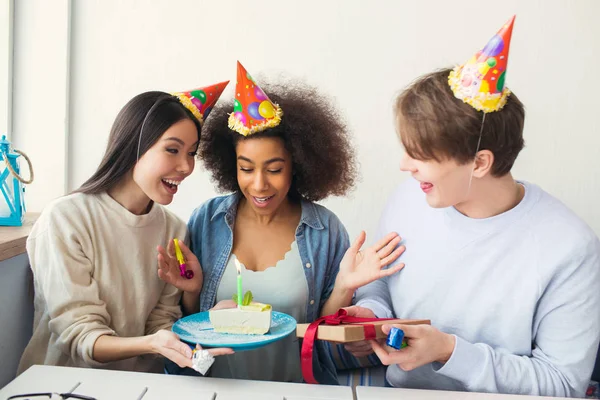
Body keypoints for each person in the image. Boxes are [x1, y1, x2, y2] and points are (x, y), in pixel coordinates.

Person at [347, 16, 600, 397]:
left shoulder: (569, 246)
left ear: (479, 163)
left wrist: (450, 352)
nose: (404, 166)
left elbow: (562, 384)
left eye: (421, 155)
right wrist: (371, 317)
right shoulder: (409, 198)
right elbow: (380, 288)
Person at [158, 62, 404, 384]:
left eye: (274, 169)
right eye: (246, 169)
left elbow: (324, 334)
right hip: (215, 385)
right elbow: (192, 323)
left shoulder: (323, 230)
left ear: (298, 166)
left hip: (295, 387)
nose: (259, 185)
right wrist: (192, 291)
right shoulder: (208, 220)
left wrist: (345, 285)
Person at [18, 82, 234, 375]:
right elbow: (79, 336)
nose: (186, 166)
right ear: (135, 145)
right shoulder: (65, 219)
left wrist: (205, 323)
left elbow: (161, 327)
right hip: (61, 384)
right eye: (173, 149)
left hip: (137, 387)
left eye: (192, 153)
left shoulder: (173, 229)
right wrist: (152, 343)